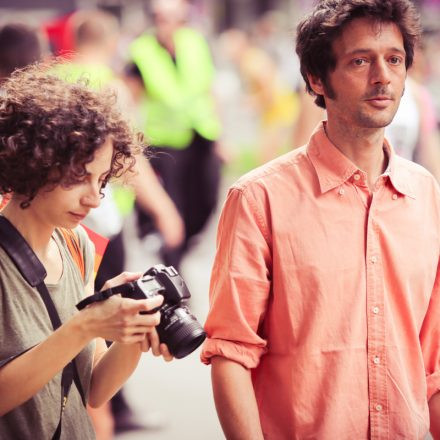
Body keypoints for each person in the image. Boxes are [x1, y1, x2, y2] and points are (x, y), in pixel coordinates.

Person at [201, 1, 440, 438]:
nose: (382, 76)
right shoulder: (259, 199)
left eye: (394, 59)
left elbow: (434, 361)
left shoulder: (425, 195)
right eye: (360, 60)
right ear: (316, 79)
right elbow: (230, 353)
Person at [0, 63, 173, 439]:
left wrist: (130, 330)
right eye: (79, 178)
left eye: (103, 180)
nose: (95, 198)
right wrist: (86, 325)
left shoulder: (77, 243)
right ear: (35, 162)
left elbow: (94, 390)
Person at [126, 0, 222, 269]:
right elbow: (131, 98)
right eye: (159, 16)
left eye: (170, 16)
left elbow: (209, 89)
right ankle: (172, 262)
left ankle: (183, 243)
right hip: (164, 144)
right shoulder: (141, 51)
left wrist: (221, 139)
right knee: (171, 208)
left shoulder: (196, 43)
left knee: (206, 202)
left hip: (201, 136)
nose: (164, 22)